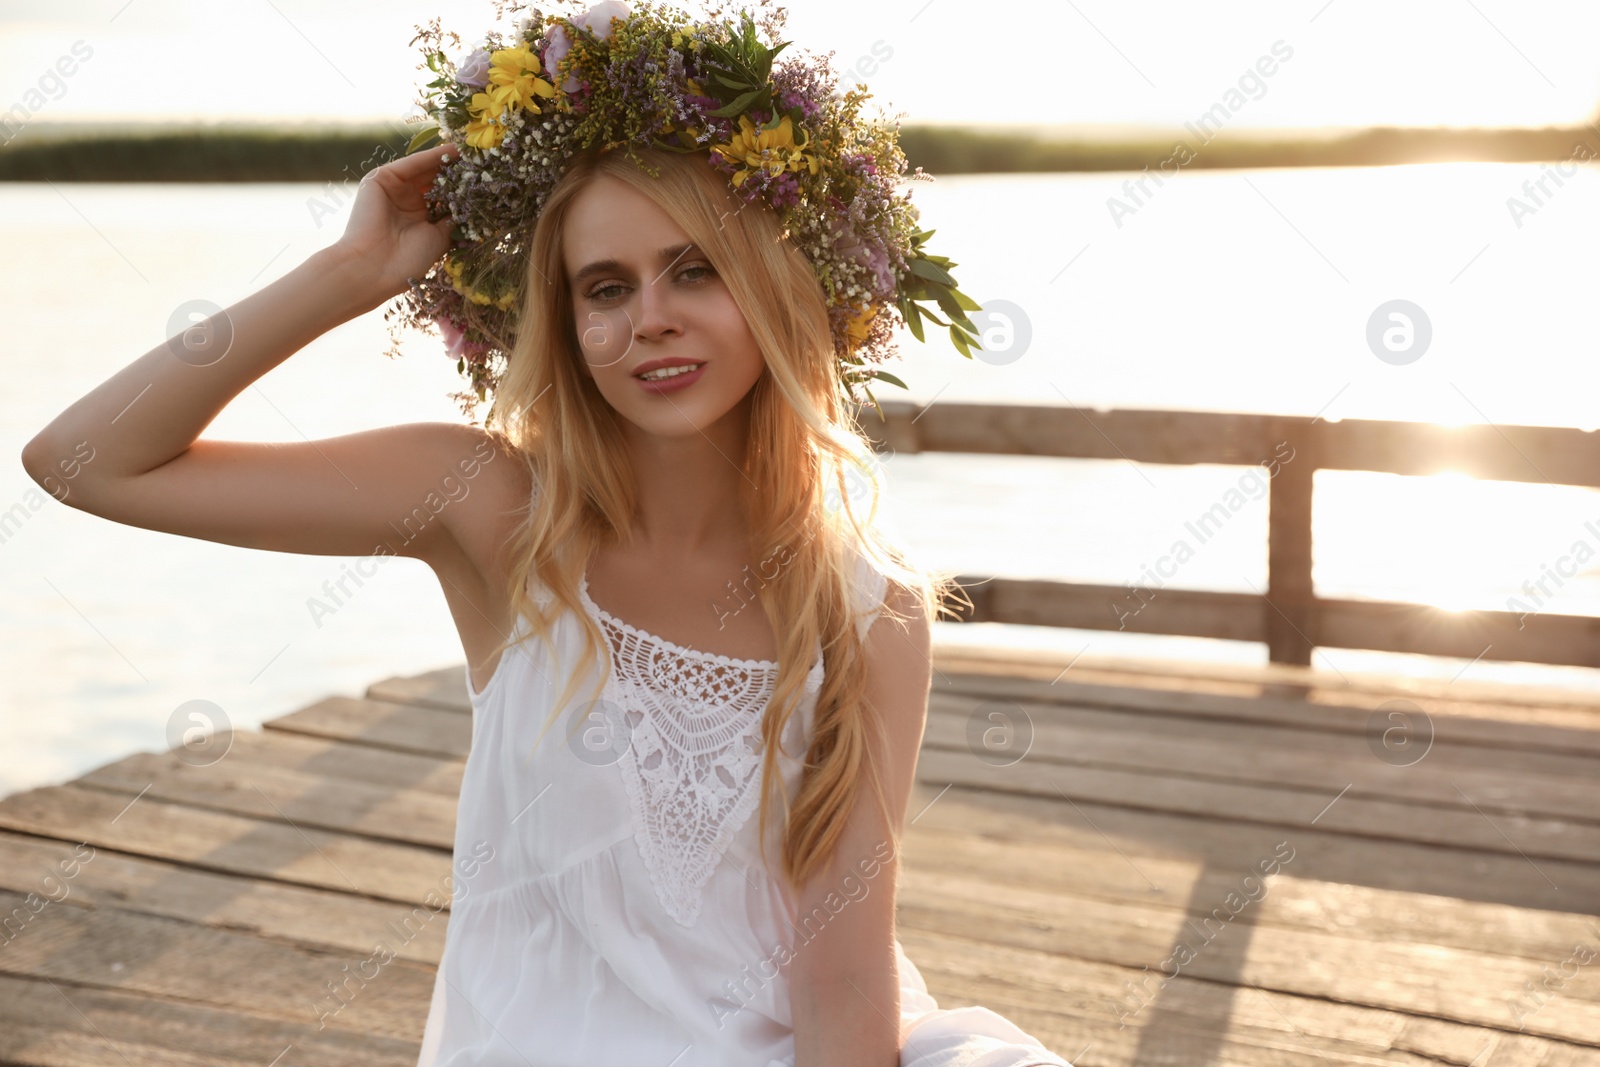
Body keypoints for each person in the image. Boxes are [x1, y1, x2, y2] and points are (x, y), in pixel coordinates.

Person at [21, 4, 1074, 1065]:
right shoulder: (485, 505)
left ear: (774, 284)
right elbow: (84, 461)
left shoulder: (868, 607)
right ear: (567, 327)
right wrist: (348, 273)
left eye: (695, 268)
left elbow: (843, 977)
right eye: (605, 288)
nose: (649, 316)